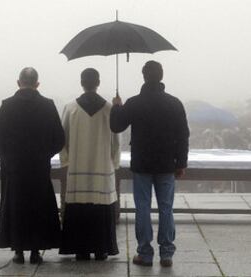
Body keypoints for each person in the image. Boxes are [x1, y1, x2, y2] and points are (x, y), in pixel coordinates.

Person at [110, 61, 190, 267]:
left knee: (143, 208)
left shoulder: (134, 103)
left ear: (143, 76)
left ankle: (145, 254)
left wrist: (117, 107)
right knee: (166, 208)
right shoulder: (174, 103)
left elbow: (116, 126)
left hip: (142, 163)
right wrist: (181, 162)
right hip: (167, 164)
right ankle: (166, 254)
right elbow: (183, 135)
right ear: (161, 76)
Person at [0, 67, 65, 264]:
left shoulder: (7, 106)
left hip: (14, 168)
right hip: (39, 167)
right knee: (38, 207)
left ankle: (18, 250)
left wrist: (9, 158)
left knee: (17, 208)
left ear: (18, 82)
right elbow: (59, 139)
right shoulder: (48, 106)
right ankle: (35, 250)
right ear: (37, 84)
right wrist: (44, 155)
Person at [59, 68, 120, 261]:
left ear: (81, 82)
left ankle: (81, 249)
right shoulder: (109, 109)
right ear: (98, 82)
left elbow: (63, 138)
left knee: (79, 207)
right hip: (102, 168)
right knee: (102, 207)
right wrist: (114, 161)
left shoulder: (71, 108)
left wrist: (67, 159)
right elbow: (116, 141)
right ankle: (101, 249)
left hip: (78, 169)